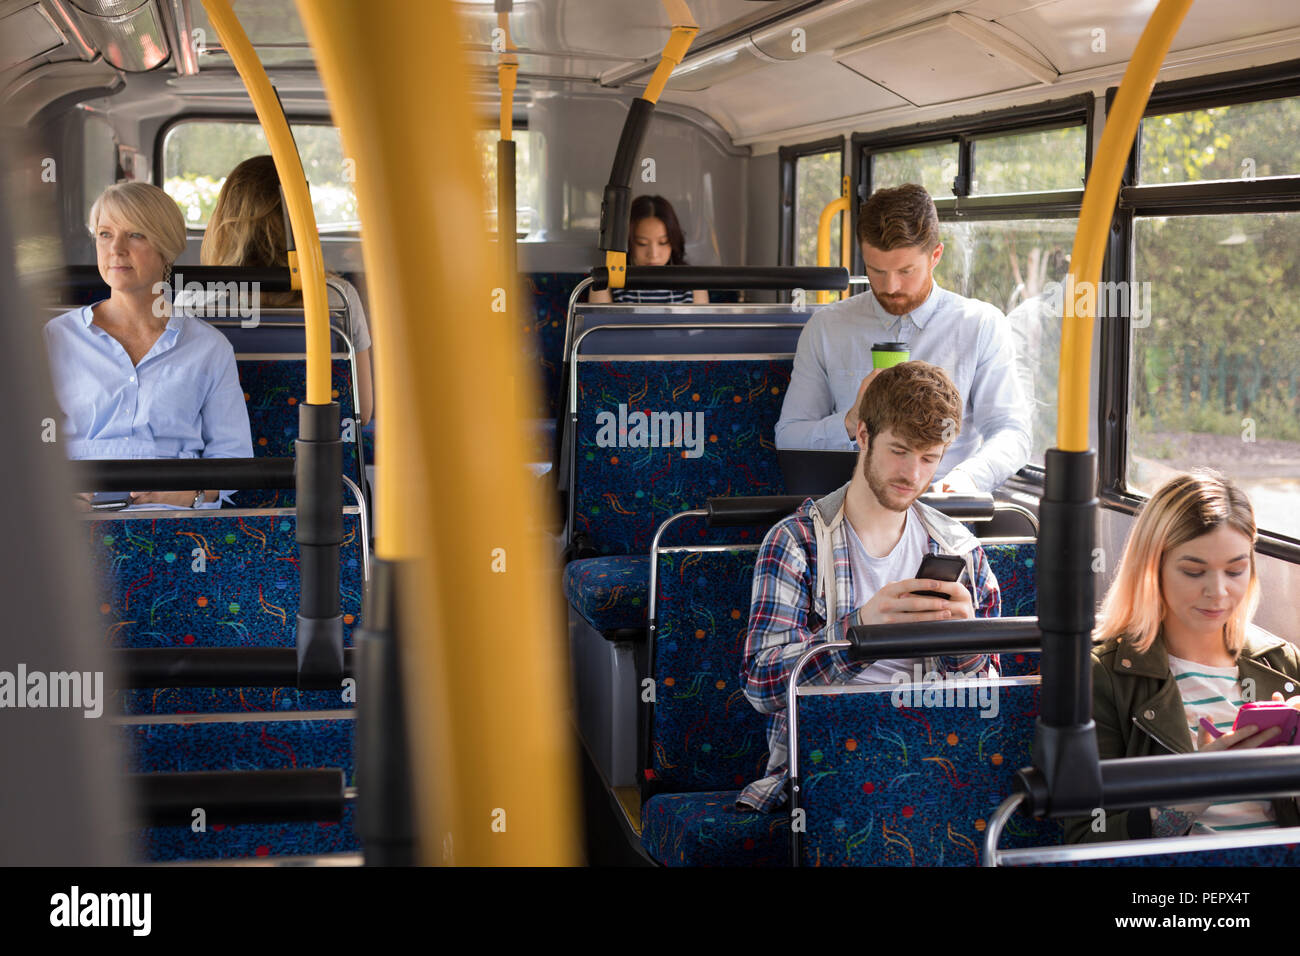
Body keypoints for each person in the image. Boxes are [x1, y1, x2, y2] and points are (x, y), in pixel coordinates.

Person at [738, 361, 1001, 811]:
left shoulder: (962, 549)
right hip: (832, 756)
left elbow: (992, 698)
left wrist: (967, 646)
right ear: (862, 436)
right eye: (899, 451)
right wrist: (859, 631)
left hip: (940, 753)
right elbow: (761, 685)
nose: (913, 475)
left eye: (929, 459)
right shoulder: (796, 542)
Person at [1066, 471, 1300, 843]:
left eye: (1236, 570)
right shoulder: (1102, 677)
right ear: (1152, 569)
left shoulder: (1281, 662)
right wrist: (1196, 790)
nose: (1219, 592)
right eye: (1194, 572)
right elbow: (1086, 836)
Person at [775, 183, 1031, 493]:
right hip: (850, 508)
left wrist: (965, 480)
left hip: (945, 505)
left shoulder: (980, 326)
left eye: (906, 271)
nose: (891, 286)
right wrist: (850, 421)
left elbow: (1011, 433)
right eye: (876, 271)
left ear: (935, 255)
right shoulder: (827, 327)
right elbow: (789, 437)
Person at [44, 182, 253, 507]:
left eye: (136, 234)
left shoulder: (209, 348)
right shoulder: (55, 339)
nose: (116, 249)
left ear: (165, 248)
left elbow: (233, 459)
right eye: (105, 234)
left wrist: (186, 494)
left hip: (173, 517)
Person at [201, 155, 374, 425]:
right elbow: (361, 411)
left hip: (226, 460)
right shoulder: (338, 296)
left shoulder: (201, 300)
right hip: (323, 461)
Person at [588, 195, 708, 305]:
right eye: (642, 243)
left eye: (663, 242)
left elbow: (700, 328)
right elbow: (599, 327)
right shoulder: (605, 282)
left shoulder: (694, 283)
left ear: (673, 241)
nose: (653, 255)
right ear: (627, 243)